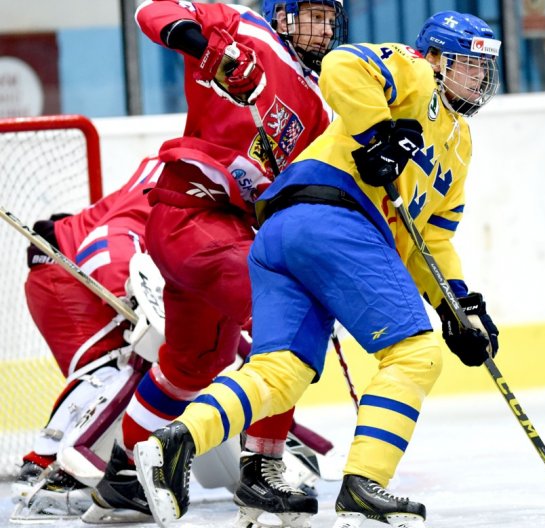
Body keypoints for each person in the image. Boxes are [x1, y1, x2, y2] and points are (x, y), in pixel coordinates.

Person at [133, 9, 502, 528]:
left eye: (484, 70)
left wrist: (456, 303)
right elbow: (343, 64)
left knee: (280, 371)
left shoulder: (458, 148)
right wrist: (379, 134)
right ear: (437, 58)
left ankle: (174, 444)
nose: (477, 79)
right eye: (467, 65)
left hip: (282, 234)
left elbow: (432, 240)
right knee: (414, 354)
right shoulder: (415, 73)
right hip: (336, 216)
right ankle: (363, 490)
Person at [85, 0, 348, 525]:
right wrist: (202, 44)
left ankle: (123, 479)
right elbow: (151, 11)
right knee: (288, 326)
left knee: (193, 363)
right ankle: (262, 470)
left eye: (327, 18)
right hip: (193, 214)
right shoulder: (243, 25)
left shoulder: (323, 107)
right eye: (307, 15)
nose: (319, 29)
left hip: (228, 239)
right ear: (279, 15)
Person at [10, 156, 165, 521]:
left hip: (62, 267)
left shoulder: (184, 169)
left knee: (114, 363)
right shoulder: (186, 183)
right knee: (127, 360)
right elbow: (108, 238)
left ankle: (46, 463)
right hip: (65, 269)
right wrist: (131, 298)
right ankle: (55, 470)